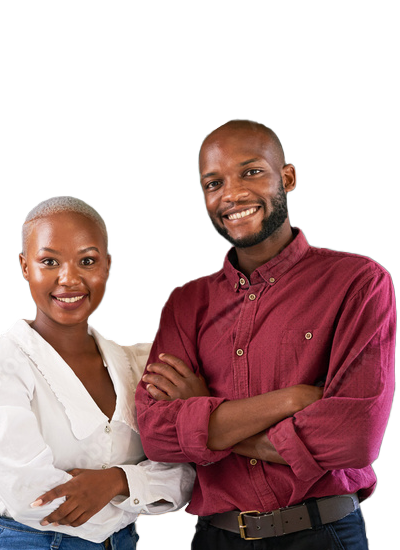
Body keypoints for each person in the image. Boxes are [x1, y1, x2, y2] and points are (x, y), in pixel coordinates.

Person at [135, 120, 396, 550]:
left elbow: (354, 438)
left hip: (323, 535)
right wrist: (290, 400)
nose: (232, 194)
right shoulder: (185, 304)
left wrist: (207, 418)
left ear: (287, 177)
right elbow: (156, 434)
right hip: (216, 539)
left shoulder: (359, 283)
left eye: (251, 171)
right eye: (213, 182)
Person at [0, 195, 195, 550]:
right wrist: (141, 483)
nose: (69, 278)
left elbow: (185, 475)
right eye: (49, 261)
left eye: (87, 261)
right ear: (24, 266)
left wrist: (114, 482)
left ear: (107, 266)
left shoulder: (141, 365)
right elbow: (32, 495)